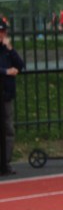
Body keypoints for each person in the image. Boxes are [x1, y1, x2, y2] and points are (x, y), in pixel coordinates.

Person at [0, 19, 25, 174]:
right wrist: (5, 71)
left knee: (8, 129)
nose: (3, 35)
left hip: (6, 95)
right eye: (1, 32)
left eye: (4, 32)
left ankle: (6, 162)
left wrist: (10, 49)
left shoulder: (6, 50)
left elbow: (20, 65)